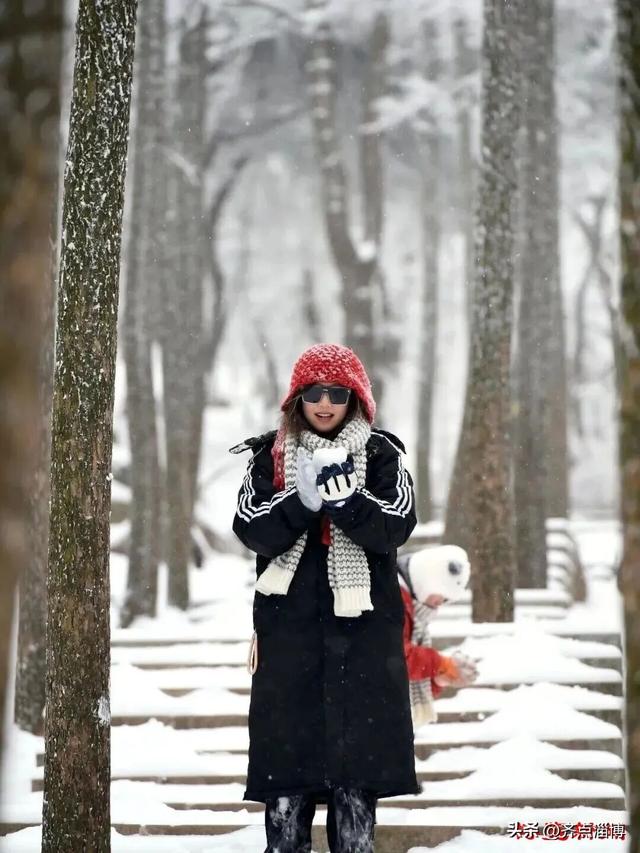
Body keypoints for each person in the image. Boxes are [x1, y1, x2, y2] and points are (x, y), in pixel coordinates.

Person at [230, 343, 418, 853]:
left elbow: (395, 526)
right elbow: (253, 529)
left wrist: (347, 502)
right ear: (298, 397)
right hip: (290, 640)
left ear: (356, 398)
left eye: (339, 393)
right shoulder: (269, 457)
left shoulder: (383, 455)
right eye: (315, 392)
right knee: (288, 782)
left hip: (362, 638)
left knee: (355, 784)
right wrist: (303, 501)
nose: (326, 403)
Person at [396, 545, 479, 729]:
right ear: (428, 581)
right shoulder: (393, 597)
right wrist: (439, 663)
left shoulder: (413, 607)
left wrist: (438, 679)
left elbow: (405, 682)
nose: (438, 605)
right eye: (440, 597)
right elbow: (395, 657)